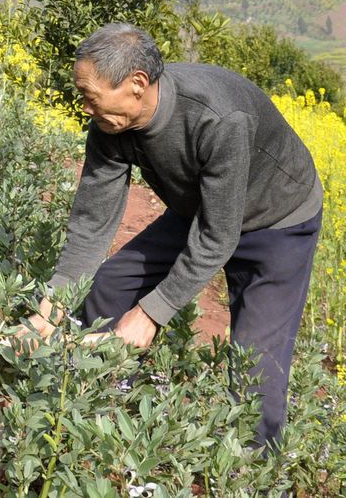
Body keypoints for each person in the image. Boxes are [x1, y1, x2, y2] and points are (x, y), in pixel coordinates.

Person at [23, 22, 322, 449]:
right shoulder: (111, 124)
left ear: (137, 84)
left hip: (277, 220)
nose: (86, 108)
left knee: (256, 366)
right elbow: (91, 223)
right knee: (108, 290)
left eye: (90, 96)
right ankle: (90, 416)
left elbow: (218, 238)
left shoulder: (217, 117)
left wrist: (151, 313)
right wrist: (50, 309)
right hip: (198, 206)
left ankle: (255, 477)